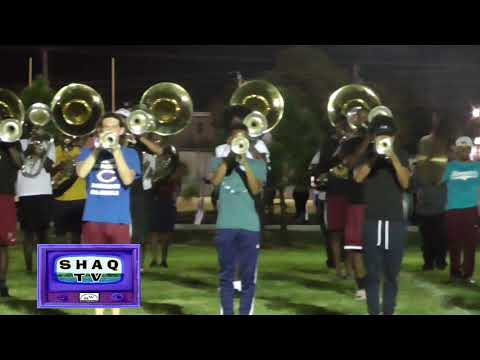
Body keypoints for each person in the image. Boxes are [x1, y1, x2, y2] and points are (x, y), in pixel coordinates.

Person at [76, 113, 141, 315]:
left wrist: (116, 151)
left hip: (119, 219)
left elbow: (128, 179)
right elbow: (81, 173)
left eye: (114, 127)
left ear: (121, 131)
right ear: (100, 131)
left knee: (118, 270)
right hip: (93, 217)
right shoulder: (88, 152)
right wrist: (96, 150)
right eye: (106, 127)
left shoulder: (130, 154)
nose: (110, 130)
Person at [354, 115, 411, 315]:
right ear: (373, 137)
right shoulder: (368, 156)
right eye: (380, 136)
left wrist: (392, 156)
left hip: (394, 221)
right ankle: (373, 311)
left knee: (392, 274)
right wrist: (375, 157)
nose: (384, 139)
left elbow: (405, 183)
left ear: (394, 137)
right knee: (372, 274)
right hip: (372, 221)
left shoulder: (401, 154)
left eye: (387, 136)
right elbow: (358, 177)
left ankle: (388, 310)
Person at [209, 123, 267, 315]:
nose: (239, 142)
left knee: (248, 277)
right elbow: (215, 182)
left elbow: (256, 189)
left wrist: (246, 163)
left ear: (248, 142)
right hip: (226, 225)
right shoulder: (219, 162)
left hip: (250, 227)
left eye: (243, 139)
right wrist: (229, 160)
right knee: (226, 275)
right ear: (229, 141)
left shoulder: (258, 164)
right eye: (236, 138)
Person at [16, 127, 55, 273]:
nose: (36, 131)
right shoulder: (21, 143)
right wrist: (29, 151)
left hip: (44, 192)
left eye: (40, 127)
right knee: (27, 233)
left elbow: (49, 167)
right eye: (34, 128)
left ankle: (45, 266)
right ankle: (29, 268)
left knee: (44, 233)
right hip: (25, 192)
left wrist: (42, 152)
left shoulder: (49, 144)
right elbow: (18, 163)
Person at [442, 136, 480, 284]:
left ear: (470, 149)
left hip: (471, 210)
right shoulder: (450, 166)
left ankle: (468, 275)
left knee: (470, 244)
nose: (464, 151)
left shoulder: (478, 166)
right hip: (453, 209)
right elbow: (438, 181)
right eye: (461, 149)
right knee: (454, 244)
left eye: (466, 148)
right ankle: (455, 274)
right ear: (457, 150)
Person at [149, 148, 186, 268]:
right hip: (156, 201)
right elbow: (152, 181)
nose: (166, 158)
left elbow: (174, 180)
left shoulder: (177, 168)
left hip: (168, 202)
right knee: (153, 232)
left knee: (166, 234)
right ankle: (154, 259)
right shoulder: (158, 167)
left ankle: (164, 260)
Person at [52, 136, 86, 245]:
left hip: (80, 197)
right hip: (60, 198)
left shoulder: (83, 151)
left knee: (77, 234)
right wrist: (64, 162)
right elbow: (50, 171)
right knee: (60, 235)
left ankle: (75, 258)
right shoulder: (57, 149)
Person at [0, 141, 23, 297]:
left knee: (2, 244)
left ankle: (2, 284)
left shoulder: (13, 142)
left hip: (5, 195)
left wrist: (8, 145)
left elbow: (20, 163)